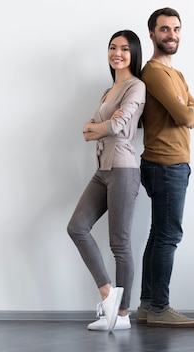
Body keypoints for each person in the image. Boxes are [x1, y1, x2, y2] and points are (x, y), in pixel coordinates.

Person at [67, 29, 145, 332]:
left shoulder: (136, 87)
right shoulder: (108, 90)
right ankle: (108, 294)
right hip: (102, 169)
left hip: (124, 169)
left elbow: (116, 126)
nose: (118, 53)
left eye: (125, 49)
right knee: (77, 227)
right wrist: (97, 128)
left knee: (120, 244)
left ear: (134, 54)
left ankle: (122, 315)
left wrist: (94, 128)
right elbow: (94, 129)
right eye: (113, 48)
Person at [136, 7, 194, 328]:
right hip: (165, 163)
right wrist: (189, 111)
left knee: (158, 235)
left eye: (176, 29)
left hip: (173, 164)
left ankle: (148, 306)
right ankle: (160, 308)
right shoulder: (153, 72)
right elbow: (185, 116)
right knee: (168, 235)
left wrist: (191, 111)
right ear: (152, 33)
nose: (171, 35)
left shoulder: (177, 74)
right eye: (164, 29)